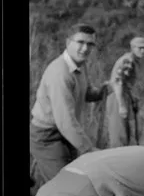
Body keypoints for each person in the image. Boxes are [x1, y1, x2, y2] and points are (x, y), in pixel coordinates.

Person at [30, 23, 111, 185]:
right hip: (47, 137)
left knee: (74, 178)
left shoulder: (80, 66)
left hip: (65, 134)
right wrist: (89, 150)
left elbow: (86, 93)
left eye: (90, 44)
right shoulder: (60, 72)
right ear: (68, 42)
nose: (85, 48)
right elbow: (65, 121)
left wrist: (105, 89)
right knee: (64, 185)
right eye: (80, 42)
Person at [106, 36, 144, 147]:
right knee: (119, 135)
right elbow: (118, 82)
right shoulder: (128, 60)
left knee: (125, 133)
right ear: (133, 48)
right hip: (117, 96)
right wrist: (121, 105)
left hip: (123, 95)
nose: (143, 51)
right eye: (140, 48)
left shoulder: (132, 60)